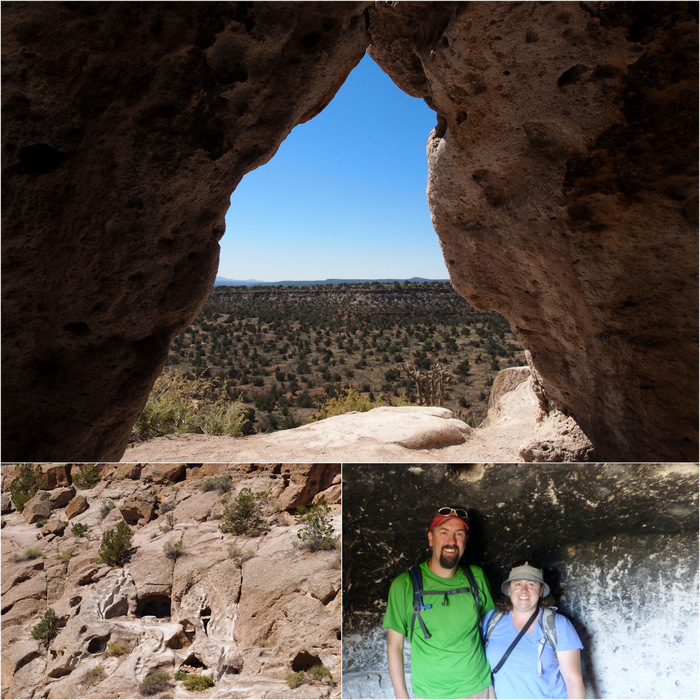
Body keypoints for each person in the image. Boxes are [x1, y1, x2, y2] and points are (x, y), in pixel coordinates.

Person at [383, 507, 496, 699]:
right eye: (443, 533)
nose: (451, 541)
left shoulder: (476, 577)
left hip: (479, 689)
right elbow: (395, 646)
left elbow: (495, 629)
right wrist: (401, 696)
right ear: (430, 538)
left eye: (458, 534)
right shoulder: (404, 585)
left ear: (465, 541)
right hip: (431, 694)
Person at [482, 560, 585, 699]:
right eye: (518, 584)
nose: (524, 590)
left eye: (531, 584)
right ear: (509, 589)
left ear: (541, 590)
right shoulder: (491, 620)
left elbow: (573, 681)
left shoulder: (558, 625)